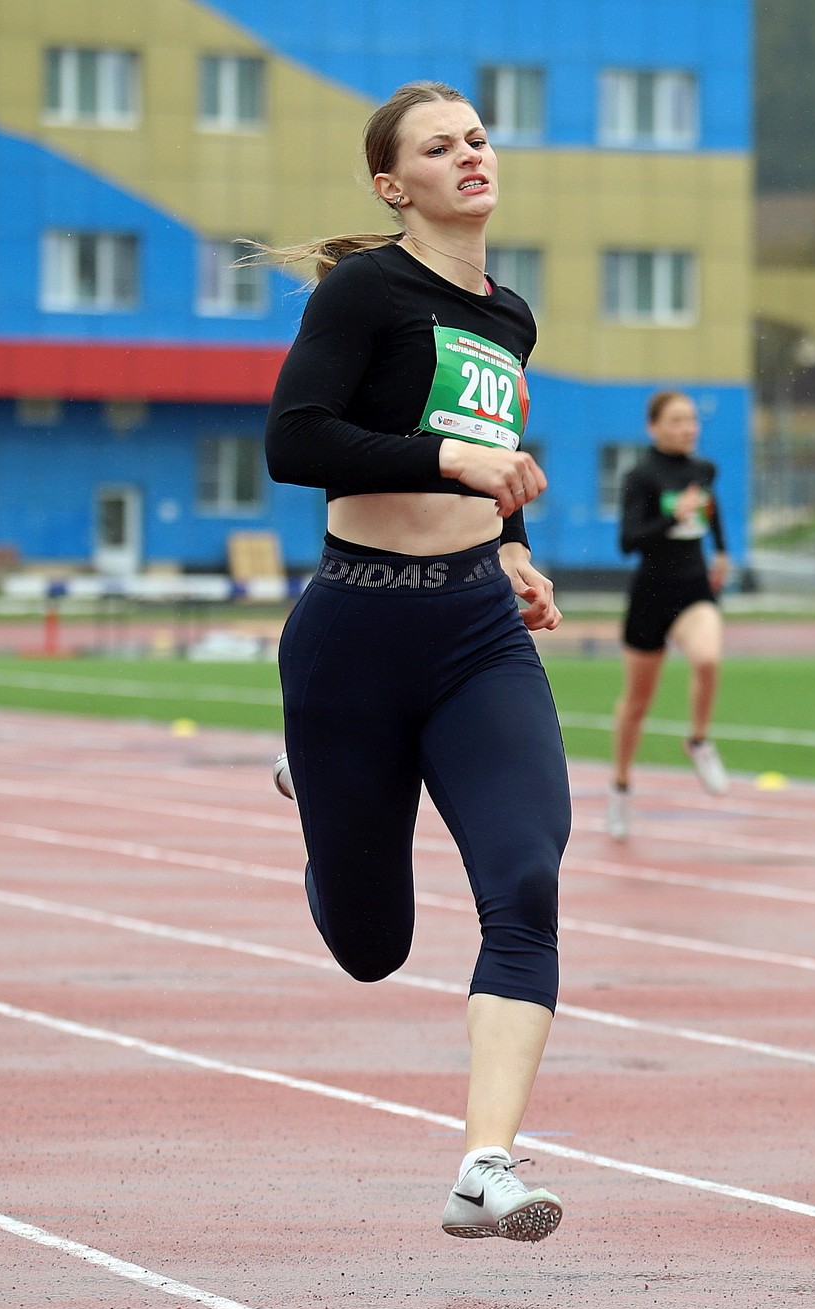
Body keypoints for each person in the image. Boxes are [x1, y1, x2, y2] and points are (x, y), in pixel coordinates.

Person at [263, 80, 569, 1240]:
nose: (470, 156)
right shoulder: (364, 291)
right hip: (353, 635)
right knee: (369, 946)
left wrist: (516, 546)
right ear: (395, 186)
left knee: (527, 879)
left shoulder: (509, 312)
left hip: (474, 634)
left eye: (478, 138)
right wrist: (451, 463)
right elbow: (296, 440)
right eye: (440, 148)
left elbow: (491, 454)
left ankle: (484, 1160)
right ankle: (315, 772)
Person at [606, 390, 732, 838]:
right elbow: (628, 541)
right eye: (677, 420)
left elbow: (711, 510)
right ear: (653, 427)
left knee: (708, 659)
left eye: (692, 420)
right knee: (637, 703)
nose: (688, 428)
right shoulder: (641, 475)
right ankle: (620, 787)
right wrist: (671, 518)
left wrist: (721, 551)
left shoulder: (703, 470)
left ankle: (698, 740)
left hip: (694, 588)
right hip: (650, 596)